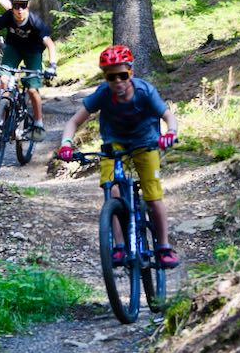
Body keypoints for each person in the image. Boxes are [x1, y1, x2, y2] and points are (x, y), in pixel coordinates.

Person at [58, 45, 180, 269]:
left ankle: (163, 246)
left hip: (146, 142)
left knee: (152, 196)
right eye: (111, 77)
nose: (117, 82)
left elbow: (167, 115)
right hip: (114, 143)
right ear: (105, 77)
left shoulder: (145, 91)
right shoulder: (103, 94)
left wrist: (170, 133)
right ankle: (119, 245)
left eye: (122, 75)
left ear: (131, 73)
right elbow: (74, 121)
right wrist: (66, 143)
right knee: (111, 190)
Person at [0, 0, 58, 140]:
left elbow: (50, 44)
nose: (19, 9)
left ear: (27, 5)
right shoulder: (7, 17)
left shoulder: (35, 21)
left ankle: (38, 123)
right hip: (13, 50)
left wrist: (52, 65)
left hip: (33, 52)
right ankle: (1, 120)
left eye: (23, 5)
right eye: (16, 5)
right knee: (4, 81)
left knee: (32, 89)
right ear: (12, 6)